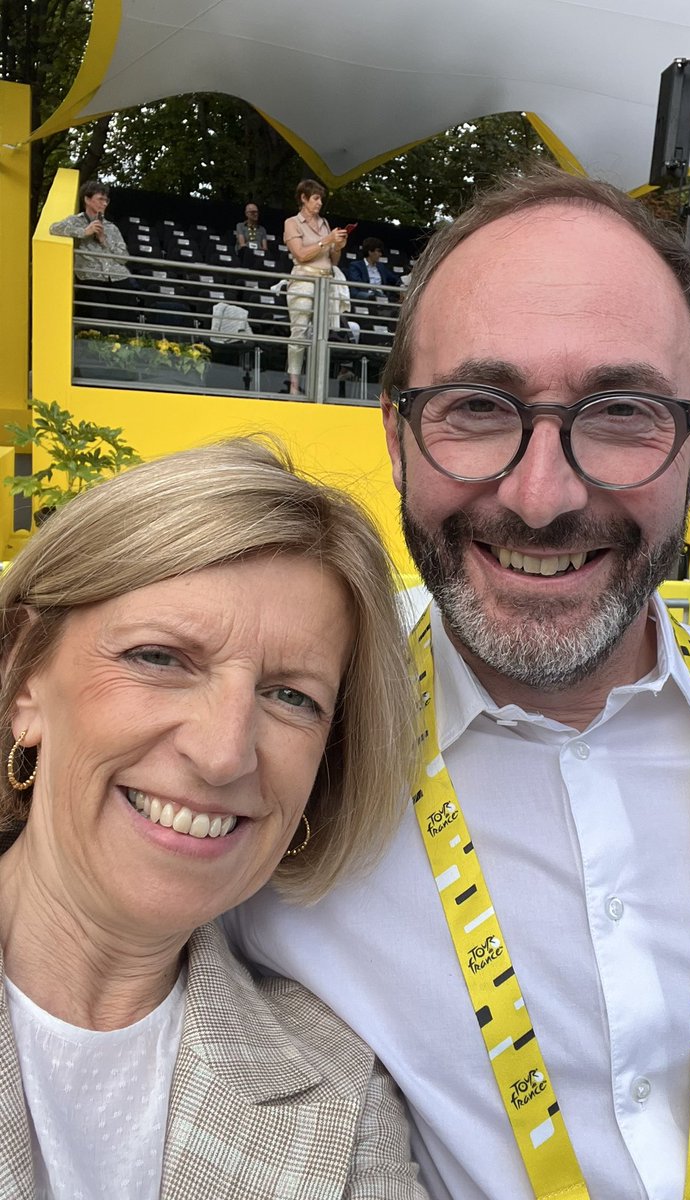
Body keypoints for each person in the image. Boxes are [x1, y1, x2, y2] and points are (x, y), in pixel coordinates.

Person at [228, 167, 690, 1199]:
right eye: (476, 408)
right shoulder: (270, 758)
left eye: (622, 410)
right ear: (397, 436)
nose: (541, 498)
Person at [0, 439, 426, 1199]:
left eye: (292, 697)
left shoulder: (344, 1099)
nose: (225, 752)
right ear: (23, 677)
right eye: (160, 658)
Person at [283, 180, 348, 396]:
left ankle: (317, 385)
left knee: (321, 335)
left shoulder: (325, 223)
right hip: (303, 280)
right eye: (316, 198)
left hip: (325, 282)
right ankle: (293, 384)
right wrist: (326, 240)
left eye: (321, 198)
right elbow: (301, 255)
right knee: (299, 332)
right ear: (303, 198)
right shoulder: (292, 222)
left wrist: (337, 246)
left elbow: (333, 259)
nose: (320, 202)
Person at [49, 180, 139, 326]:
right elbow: (54, 228)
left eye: (106, 200)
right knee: (96, 320)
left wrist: (104, 240)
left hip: (117, 277)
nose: (104, 203)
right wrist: (84, 232)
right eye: (100, 199)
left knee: (124, 318)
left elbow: (124, 258)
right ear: (87, 199)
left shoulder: (111, 227)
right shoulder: (75, 221)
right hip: (91, 277)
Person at [347, 237, 404, 303]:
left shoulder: (381, 267)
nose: (380, 254)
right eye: (378, 251)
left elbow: (394, 279)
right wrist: (373, 292)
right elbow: (357, 283)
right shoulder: (355, 265)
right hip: (365, 293)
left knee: (391, 299)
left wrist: (401, 285)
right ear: (370, 252)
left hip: (380, 295)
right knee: (372, 296)